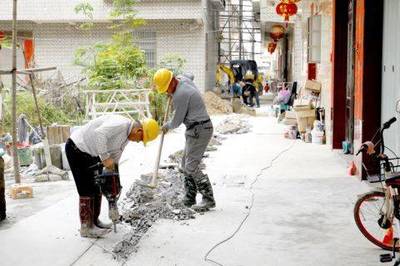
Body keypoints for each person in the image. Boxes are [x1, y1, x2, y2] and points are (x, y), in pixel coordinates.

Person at [65, 115, 160, 238]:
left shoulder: (125, 138)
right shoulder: (120, 124)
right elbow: (99, 134)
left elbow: (113, 162)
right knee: (86, 188)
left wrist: (113, 194)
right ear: (139, 131)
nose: (138, 141)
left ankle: (94, 222)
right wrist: (105, 158)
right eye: (140, 139)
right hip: (77, 148)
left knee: (98, 185)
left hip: (90, 152)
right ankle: (86, 228)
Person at [153, 68, 216, 210]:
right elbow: (190, 74)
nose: (167, 93)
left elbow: (176, 122)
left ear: (171, 82)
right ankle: (190, 198)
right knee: (184, 165)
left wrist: (166, 126)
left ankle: (208, 199)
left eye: (167, 89)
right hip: (195, 129)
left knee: (191, 167)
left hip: (199, 129)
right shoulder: (183, 79)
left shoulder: (180, 94)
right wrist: (172, 91)